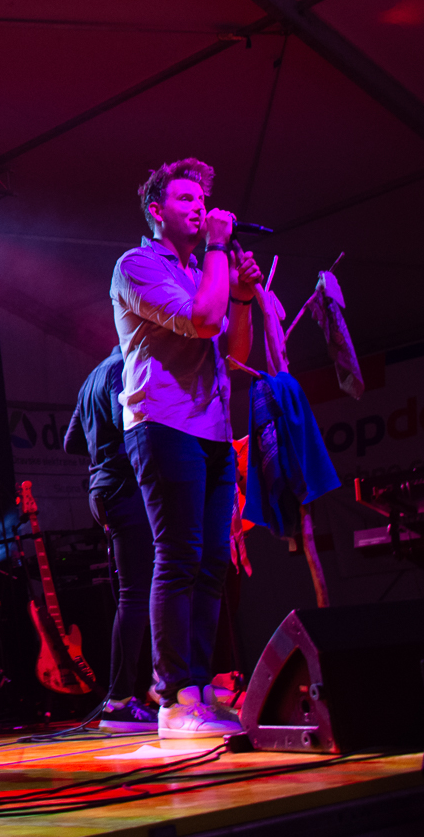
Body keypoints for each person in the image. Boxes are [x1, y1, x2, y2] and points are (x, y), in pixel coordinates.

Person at [110, 159, 261, 739]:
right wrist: (220, 251)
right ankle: (173, 696)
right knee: (178, 556)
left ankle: (200, 685)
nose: (199, 208)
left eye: (202, 200)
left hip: (214, 428)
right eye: (185, 199)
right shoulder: (137, 265)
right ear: (157, 211)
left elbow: (235, 353)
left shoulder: (205, 269)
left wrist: (241, 296)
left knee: (212, 561)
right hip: (163, 421)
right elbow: (200, 320)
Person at [63, 347, 156, 732]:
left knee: (137, 593)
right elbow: (127, 426)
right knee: (137, 595)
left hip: (102, 490)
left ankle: (138, 691)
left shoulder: (91, 377)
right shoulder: (123, 368)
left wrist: (99, 447)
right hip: (124, 488)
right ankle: (120, 701)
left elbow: (71, 442)